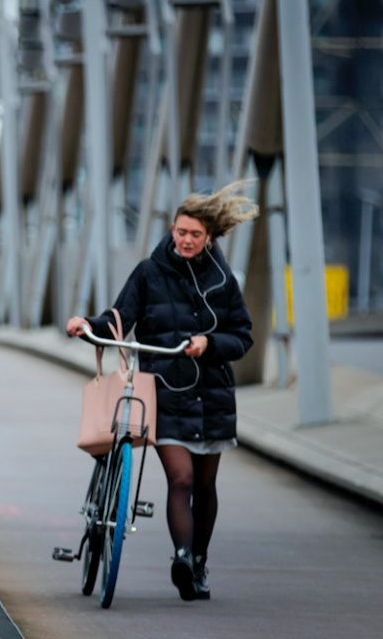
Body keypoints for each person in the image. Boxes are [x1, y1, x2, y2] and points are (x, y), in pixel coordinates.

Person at [66, 181, 256, 602]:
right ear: (172, 229)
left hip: (213, 395)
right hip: (165, 394)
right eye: (180, 232)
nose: (186, 240)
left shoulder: (223, 280)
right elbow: (119, 317)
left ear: (210, 238)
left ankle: (200, 563)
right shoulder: (149, 273)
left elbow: (243, 336)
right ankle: (183, 557)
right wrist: (87, 325)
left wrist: (210, 343)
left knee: (206, 486)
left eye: (195, 235)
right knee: (182, 478)